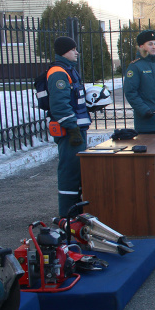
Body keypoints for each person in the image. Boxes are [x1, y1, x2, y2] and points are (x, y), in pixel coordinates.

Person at [48, 36, 90, 218]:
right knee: (69, 172)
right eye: (73, 49)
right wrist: (72, 128)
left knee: (77, 171)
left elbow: (73, 100)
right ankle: (67, 215)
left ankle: (76, 210)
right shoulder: (59, 72)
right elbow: (59, 105)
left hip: (76, 130)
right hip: (69, 132)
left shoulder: (69, 70)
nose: (76, 52)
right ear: (65, 51)